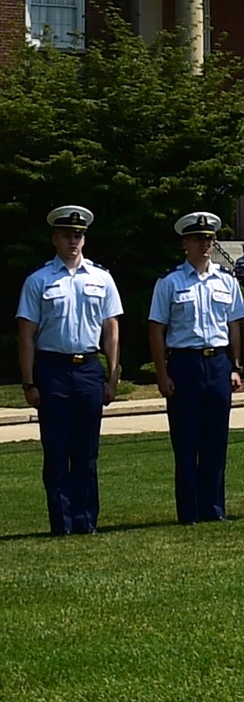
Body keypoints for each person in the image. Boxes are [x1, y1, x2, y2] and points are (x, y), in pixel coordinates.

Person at [16, 205, 123, 536]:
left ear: (84, 239)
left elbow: (111, 330)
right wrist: (29, 381)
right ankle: (61, 523)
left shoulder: (102, 278)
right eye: (66, 235)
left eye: (78, 235)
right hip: (53, 370)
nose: (73, 240)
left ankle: (86, 521)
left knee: (87, 451)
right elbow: (26, 334)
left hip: (89, 369)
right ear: (55, 239)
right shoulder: (38, 280)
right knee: (57, 450)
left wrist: (112, 376)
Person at [148, 211, 244, 524]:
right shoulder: (170, 282)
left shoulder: (226, 281)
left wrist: (236, 366)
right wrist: (162, 374)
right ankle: (188, 511)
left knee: (216, 440)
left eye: (209, 239)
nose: (205, 244)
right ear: (185, 243)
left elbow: (234, 326)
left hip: (218, 364)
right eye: (198, 239)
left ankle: (214, 508)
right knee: (186, 442)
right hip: (185, 364)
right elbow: (156, 329)